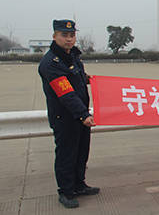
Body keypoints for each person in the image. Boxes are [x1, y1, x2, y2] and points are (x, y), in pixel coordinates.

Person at [38, 20, 99, 208]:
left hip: (81, 115)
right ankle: (65, 191)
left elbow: (78, 79)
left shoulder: (72, 56)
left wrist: (93, 80)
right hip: (65, 117)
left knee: (81, 152)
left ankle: (79, 185)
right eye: (64, 35)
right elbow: (66, 93)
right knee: (67, 154)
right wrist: (83, 114)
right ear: (55, 36)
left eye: (72, 35)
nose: (69, 39)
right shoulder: (51, 63)